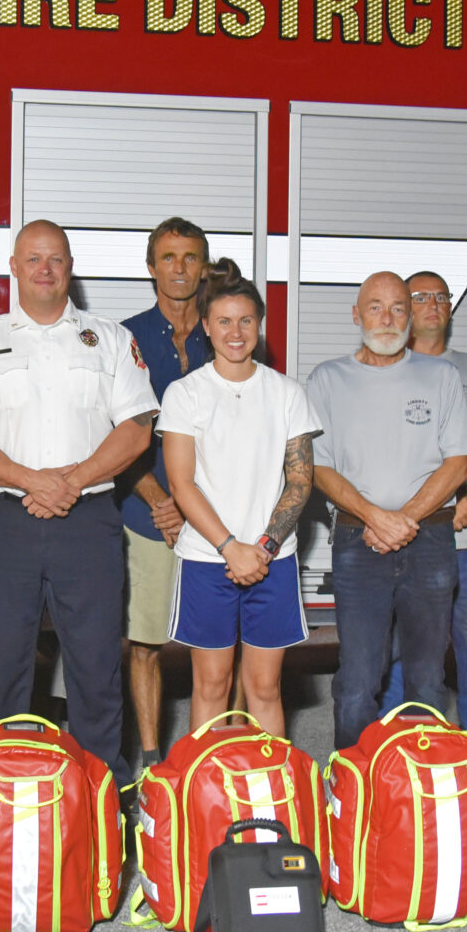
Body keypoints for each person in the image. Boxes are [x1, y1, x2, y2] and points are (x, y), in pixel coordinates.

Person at [0, 221, 158, 784]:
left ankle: (100, 803)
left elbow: (136, 428)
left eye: (56, 258)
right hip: (6, 523)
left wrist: (71, 481)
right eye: (33, 258)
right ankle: (3, 801)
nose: (45, 268)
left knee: (95, 670)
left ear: (70, 267)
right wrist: (30, 481)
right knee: (2, 669)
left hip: (88, 522)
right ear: (12, 267)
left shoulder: (108, 338)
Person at [305, 271, 467, 753]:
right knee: (358, 678)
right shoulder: (327, 379)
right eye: (375, 307)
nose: (387, 317)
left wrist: (405, 520)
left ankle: (418, 792)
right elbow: (319, 467)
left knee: (428, 676)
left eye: (399, 307)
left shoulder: (440, 376)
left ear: (411, 317)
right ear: (356, 315)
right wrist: (377, 518)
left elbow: (458, 464)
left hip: (432, 543)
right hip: (359, 545)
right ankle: (351, 789)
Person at [159, 261, 320, 738]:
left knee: (265, 688)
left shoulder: (287, 393)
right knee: (211, 685)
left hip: (273, 560)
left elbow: (300, 481)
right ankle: (200, 805)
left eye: (246, 320)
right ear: (205, 326)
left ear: (260, 325)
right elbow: (182, 483)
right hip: (208, 559)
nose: (235, 331)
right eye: (224, 321)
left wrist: (264, 549)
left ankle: (272, 797)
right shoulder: (184, 394)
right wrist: (231, 548)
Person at [378, 270, 467, 794]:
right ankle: (392, 770)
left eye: (441, 297)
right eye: (420, 296)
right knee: (399, 653)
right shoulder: (387, 369)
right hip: (407, 539)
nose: (432, 304)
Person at [118, 217, 213, 768]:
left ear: (203, 266)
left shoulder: (229, 329)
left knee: (224, 641)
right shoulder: (124, 337)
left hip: (218, 515)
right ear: (151, 267)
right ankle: (152, 762)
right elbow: (115, 430)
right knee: (146, 642)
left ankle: (223, 750)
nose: (179, 269)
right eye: (168, 258)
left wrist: (197, 507)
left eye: (190, 258)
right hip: (145, 512)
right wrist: (162, 501)